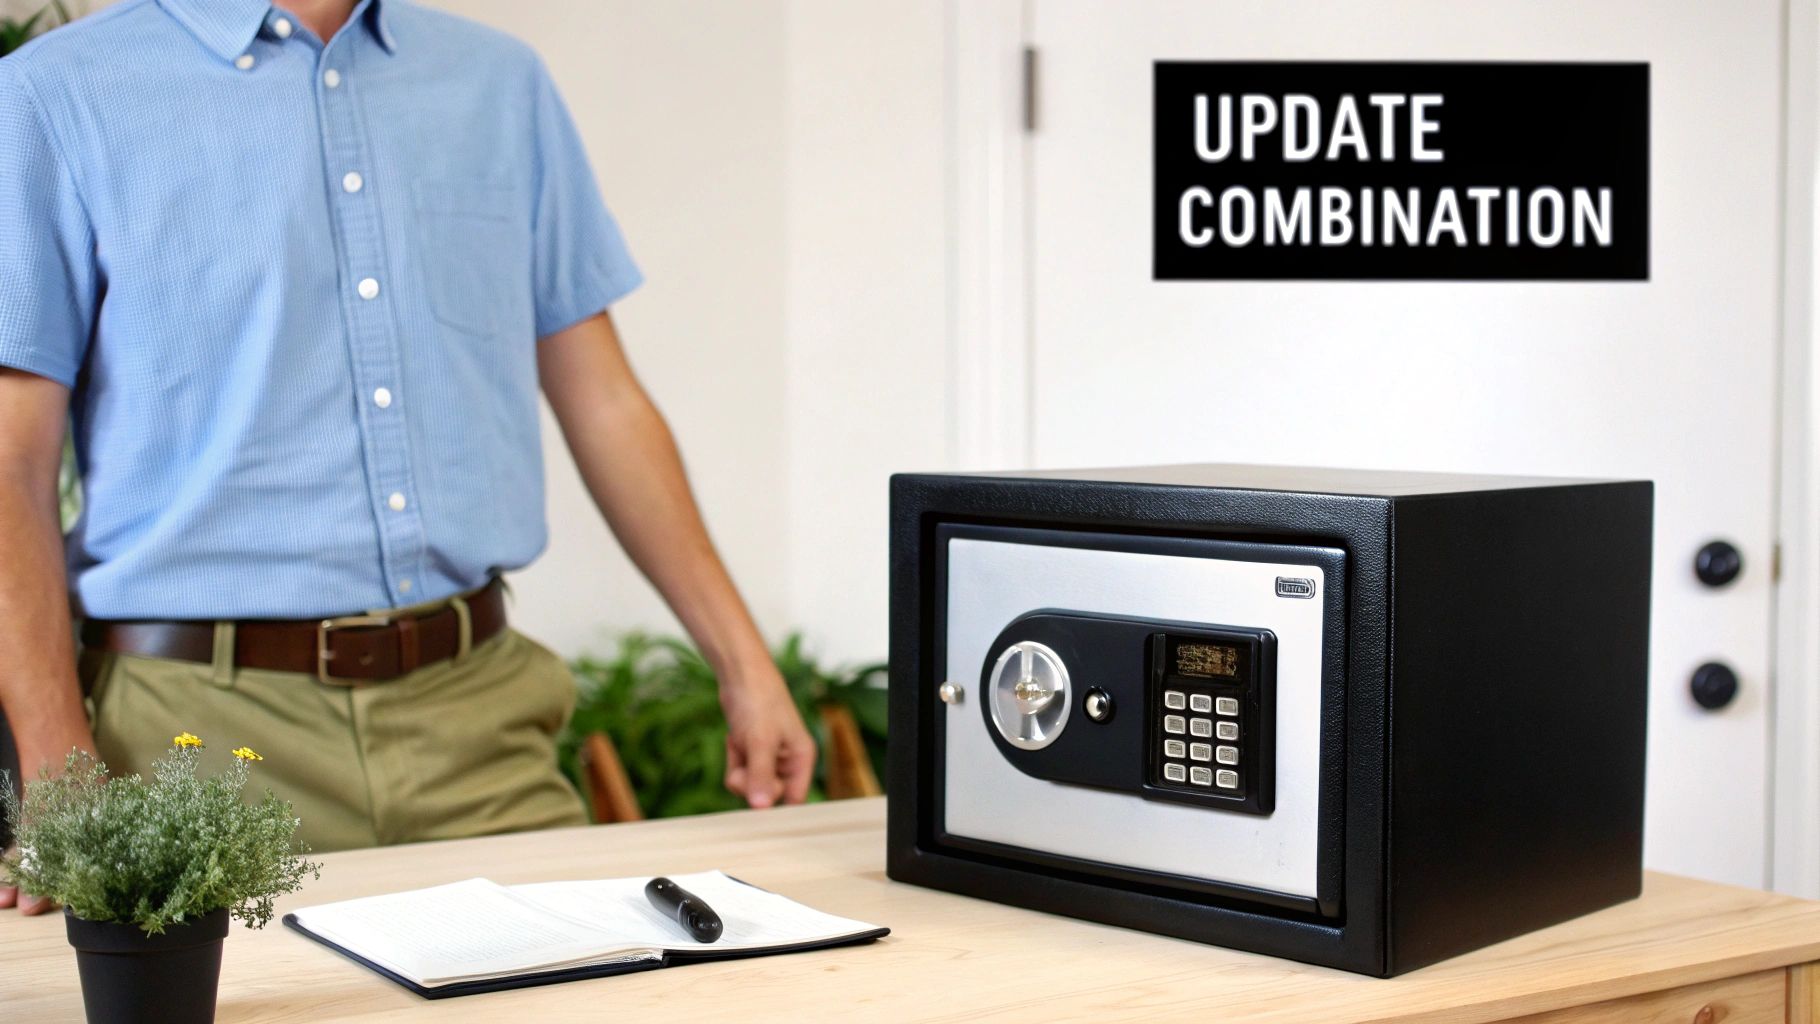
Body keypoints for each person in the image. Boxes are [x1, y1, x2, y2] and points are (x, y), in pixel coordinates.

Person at [0, 0, 817, 915]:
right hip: (192, 743)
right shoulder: (54, 96)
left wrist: (743, 663)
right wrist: (57, 769)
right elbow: (10, 467)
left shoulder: (499, 84)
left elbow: (607, 403)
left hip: (477, 723)